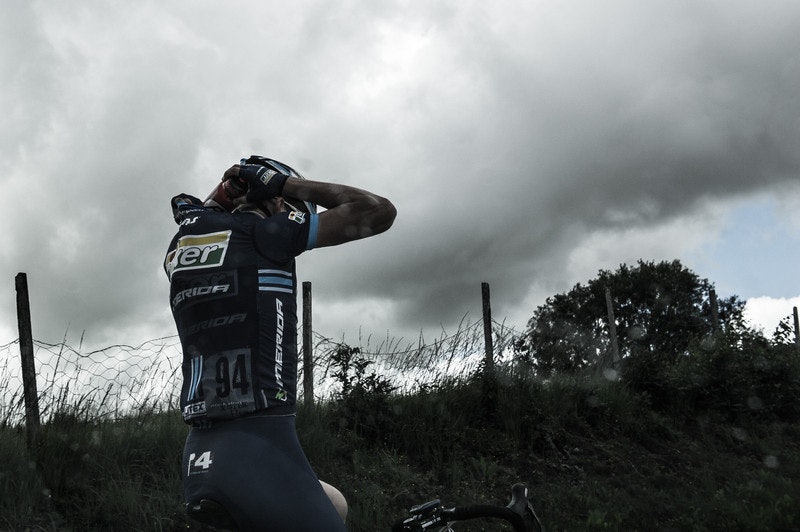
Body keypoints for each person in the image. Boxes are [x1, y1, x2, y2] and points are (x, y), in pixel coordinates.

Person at [164, 156, 396, 531]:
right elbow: (379, 211)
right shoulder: (267, 236)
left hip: (200, 452)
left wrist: (225, 192)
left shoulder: (179, 248)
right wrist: (283, 184)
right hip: (258, 442)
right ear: (278, 204)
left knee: (334, 503)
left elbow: (208, 218)